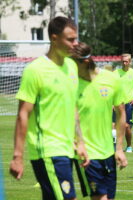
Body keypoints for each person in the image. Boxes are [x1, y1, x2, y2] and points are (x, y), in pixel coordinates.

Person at [9, 16, 89, 200]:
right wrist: (17, 156)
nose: (75, 44)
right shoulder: (35, 70)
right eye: (70, 39)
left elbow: (73, 108)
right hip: (47, 150)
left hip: (67, 148)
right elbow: (23, 114)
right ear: (54, 38)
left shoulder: (71, 67)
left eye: (76, 38)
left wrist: (80, 141)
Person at [72, 42, 128, 200]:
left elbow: (121, 112)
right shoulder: (71, 84)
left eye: (73, 63)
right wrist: (79, 143)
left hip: (108, 153)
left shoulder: (111, 79)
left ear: (85, 61)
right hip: (87, 154)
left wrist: (119, 149)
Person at [114, 54, 133, 153]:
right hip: (117, 104)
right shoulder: (115, 73)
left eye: (126, 61)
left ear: (130, 62)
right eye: (123, 61)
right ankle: (117, 147)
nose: (124, 63)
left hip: (129, 104)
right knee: (115, 126)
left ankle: (129, 146)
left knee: (127, 126)